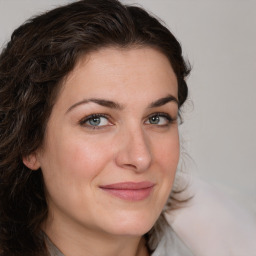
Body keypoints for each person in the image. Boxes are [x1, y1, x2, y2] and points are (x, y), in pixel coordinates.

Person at [0, 1, 255, 256]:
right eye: (96, 120)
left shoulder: (231, 235)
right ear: (30, 143)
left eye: (157, 118)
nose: (140, 157)